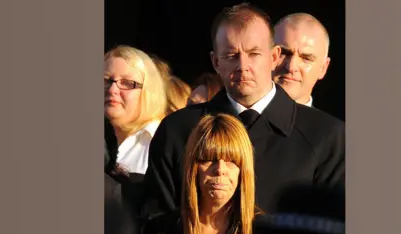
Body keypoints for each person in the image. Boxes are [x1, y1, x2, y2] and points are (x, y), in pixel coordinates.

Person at [143, 3, 345, 220]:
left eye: (254, 53)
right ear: (216, 62)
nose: (243, 65)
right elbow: (157, 221)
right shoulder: (179, 130)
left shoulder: (326, 136)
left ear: (273, 56)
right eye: (231, 55)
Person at [141, 114, 270, 234]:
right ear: (194, 167)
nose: (220, 170)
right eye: (209, 159)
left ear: (243, 170)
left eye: (231, 161)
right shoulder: (162, 232)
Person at [104, 45, 168, 219]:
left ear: (149, 91)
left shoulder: (162, 142)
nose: (112, 90)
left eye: (127, 83)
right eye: (106, 80)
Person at [273, 13, 331, 107]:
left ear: (323, 68)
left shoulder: (330, 122)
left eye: (306, 58)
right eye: (283, 53)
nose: (291, 67)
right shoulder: (241, 120)